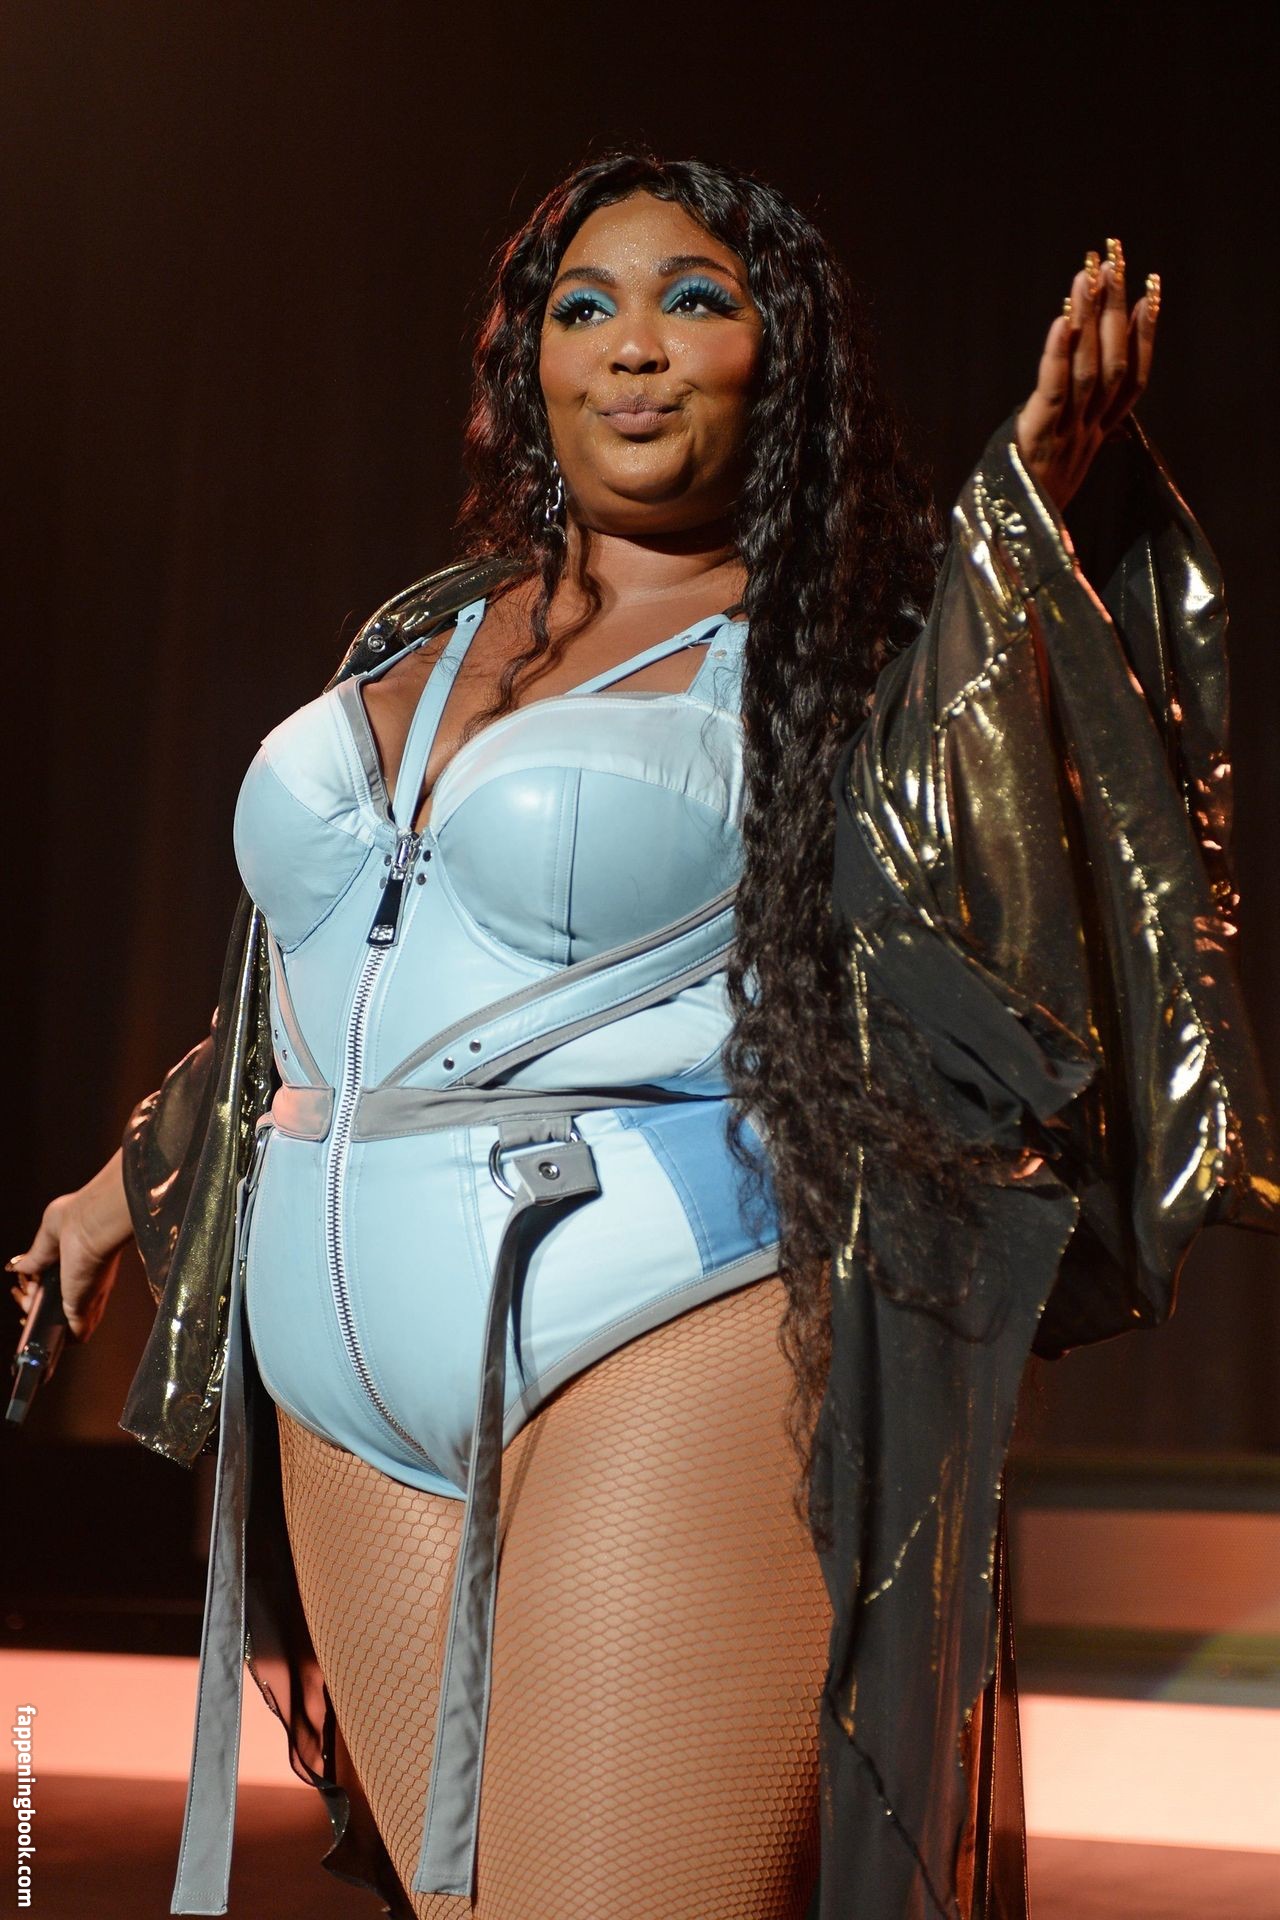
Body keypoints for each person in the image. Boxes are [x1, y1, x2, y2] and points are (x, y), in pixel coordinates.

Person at [11, 151, 1276, 1920]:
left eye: (695, 301)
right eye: (583, 307)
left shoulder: (840, 652)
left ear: (783, 358)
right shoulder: (425, 633)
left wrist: (1030, 505)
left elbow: (986, 829)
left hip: (658, 1319)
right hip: (335, 1364)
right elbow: (329, 969)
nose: (632, 345)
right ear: (525, 360)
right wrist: (120, 1193)